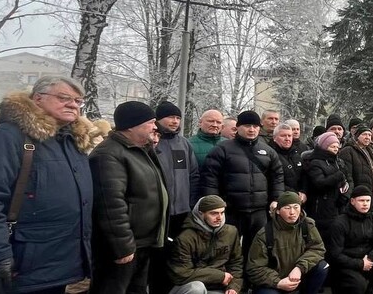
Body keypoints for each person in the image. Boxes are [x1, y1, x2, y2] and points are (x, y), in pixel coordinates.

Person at [0, 78, 93, 294]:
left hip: (57, 263)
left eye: (78, 101)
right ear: (38, 99)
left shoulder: (70, 141)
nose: (73, 105)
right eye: (64, 98)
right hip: (20, 265)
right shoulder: (7, 136)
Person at [90, 101, 168, 294]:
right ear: (132, 125)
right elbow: (110, 205)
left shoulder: (142, 150)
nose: (155, 127)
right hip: (123, 247)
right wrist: (122, 246)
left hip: (142, 244)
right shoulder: (108, 154)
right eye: (151, 122)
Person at [202, 111, 283, 258]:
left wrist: (276, 199)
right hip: (231, 211)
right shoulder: (222, 149)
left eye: (255, 126)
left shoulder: (268, 151)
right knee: (226, 251)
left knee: (256, 252)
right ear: (238, 127)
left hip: (259, 212)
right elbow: (210, 178)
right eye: (247, 126)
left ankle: (252, 273)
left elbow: (277, 177)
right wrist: (213, 205)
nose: (251, 129)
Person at [245, 191, 328, 294]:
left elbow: (317, 249)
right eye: (287, 208)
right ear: (278, 211)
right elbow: (254, 269)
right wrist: (278, 282)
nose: (292, 212)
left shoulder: (307, 225)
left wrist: (299, 268)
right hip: (274, 283)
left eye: (296, 207)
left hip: (298, 277)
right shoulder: (265, 234)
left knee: (322, 266)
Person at [326, 185, 373, 294]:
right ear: (352, 201)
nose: (365, 204)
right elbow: (335, 255)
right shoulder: (340, 222)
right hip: (346, 265)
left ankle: (371, 289)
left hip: (367, 259)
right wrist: (360, 264)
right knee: (358, 285)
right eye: (361, 200)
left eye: (368, 200)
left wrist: (371, 258)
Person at [167, 195, 242, 294]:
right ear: (201, 214)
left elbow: (236, 263)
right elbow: (182, 274)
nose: (219, 218)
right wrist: (219, 276)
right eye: (214, 213)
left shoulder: (231, 232)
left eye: (222, 212)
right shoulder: (185, 238)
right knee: (197, 288)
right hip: (189, 287)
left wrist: (233, 287)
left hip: (219, 288)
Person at [153, 101, 200, 235]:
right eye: (170, 117)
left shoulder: (184, 143)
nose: (175, 121)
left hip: (182, 211)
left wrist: (191, 204)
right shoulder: (151, 142)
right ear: (158, 119)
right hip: (157, 211)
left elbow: (193, 175)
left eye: (178, 118)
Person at [301, 131, 349, 241]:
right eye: (333, 146)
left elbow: (345, 178)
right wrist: (338, 176)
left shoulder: (336, 161)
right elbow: (319, 183)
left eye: (337, 146)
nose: (336, 149)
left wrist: (344, 190)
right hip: (320, 207)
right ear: (325, 146)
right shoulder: (315, 162)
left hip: (335, 204)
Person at [339, 124, 373, 194]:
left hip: (372, 190)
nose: (367, 137)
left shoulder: (370, 150)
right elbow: (347, 175)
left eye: (369, 135)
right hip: (358, 191)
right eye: (364, 134)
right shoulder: (348, 151)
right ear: (357, 136)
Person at [271, 122, 306, 197]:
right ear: (274, 138)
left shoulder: (296, 154)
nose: (287, 139)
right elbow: (272, 180)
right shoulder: (270, 155)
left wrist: (303, 192)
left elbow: (304, 175)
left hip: (299, 198)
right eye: (283, 136)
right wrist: (294, 193)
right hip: (280, 197)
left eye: (289, 136)